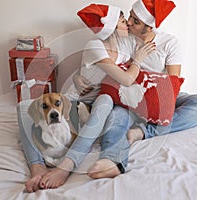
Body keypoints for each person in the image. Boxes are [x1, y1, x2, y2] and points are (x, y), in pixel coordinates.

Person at [17, 3, 154, 192]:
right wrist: (137, 60)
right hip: (76, 101)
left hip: (98, 103)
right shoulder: (95, 46)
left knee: (106, 99)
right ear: (113, 26)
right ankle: (36, 165)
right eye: (123, 21)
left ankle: (67, 165)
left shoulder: (124, 46)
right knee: (23, 106)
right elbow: (126, 78)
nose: (128, 24)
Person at [74, 0, 197, 179]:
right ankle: (112, 160)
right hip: (129, 96)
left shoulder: (169, 43)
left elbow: (174, 85)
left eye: (136, 21)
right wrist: (78, 78)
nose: (129, 22)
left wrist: (157, 106)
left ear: (149, 28)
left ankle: (144, 131)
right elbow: (102, 63)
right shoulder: (124, 38)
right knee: (117, 116)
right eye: (130, 16)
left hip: (159, 97)